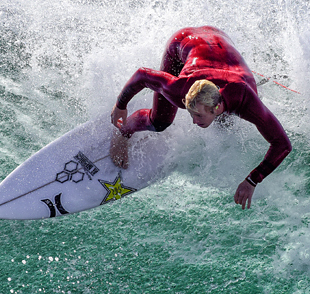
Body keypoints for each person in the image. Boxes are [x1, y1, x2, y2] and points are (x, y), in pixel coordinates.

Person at [110, 26, 291, 209]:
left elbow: (282, 144)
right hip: (183, 42)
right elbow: (142, 74)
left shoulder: (245, 99)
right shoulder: (180, 88)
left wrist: (252, 180)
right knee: (160, 122)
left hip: (220, 40)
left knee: (226, 125)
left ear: (217, 106)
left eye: (198, 115)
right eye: (191, 113)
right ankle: (124, 133)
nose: (194, 122)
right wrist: (120, 105)